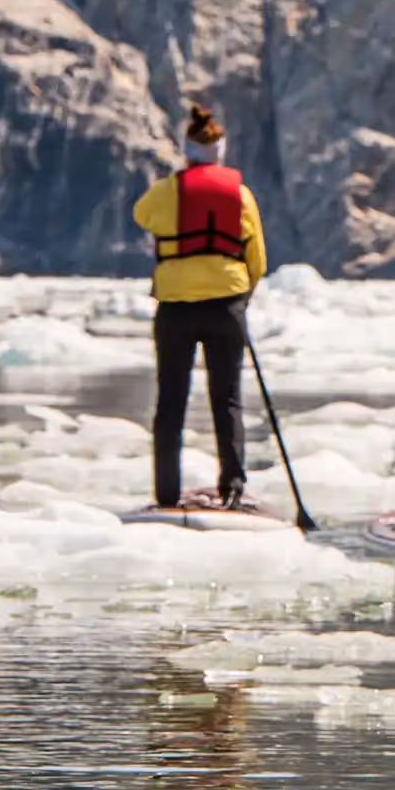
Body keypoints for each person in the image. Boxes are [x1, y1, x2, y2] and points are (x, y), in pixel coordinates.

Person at [134, 103, 269, 512]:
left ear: (187, 150)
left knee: (171, 401)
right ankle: (232, 486)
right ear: (220, 152)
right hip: (226, 304)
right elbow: (257, 260)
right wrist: (242, 296)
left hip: (175, 306)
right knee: (226, 399)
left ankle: (166, 493)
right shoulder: (240, 194)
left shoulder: (165, 191)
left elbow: (141, 216)